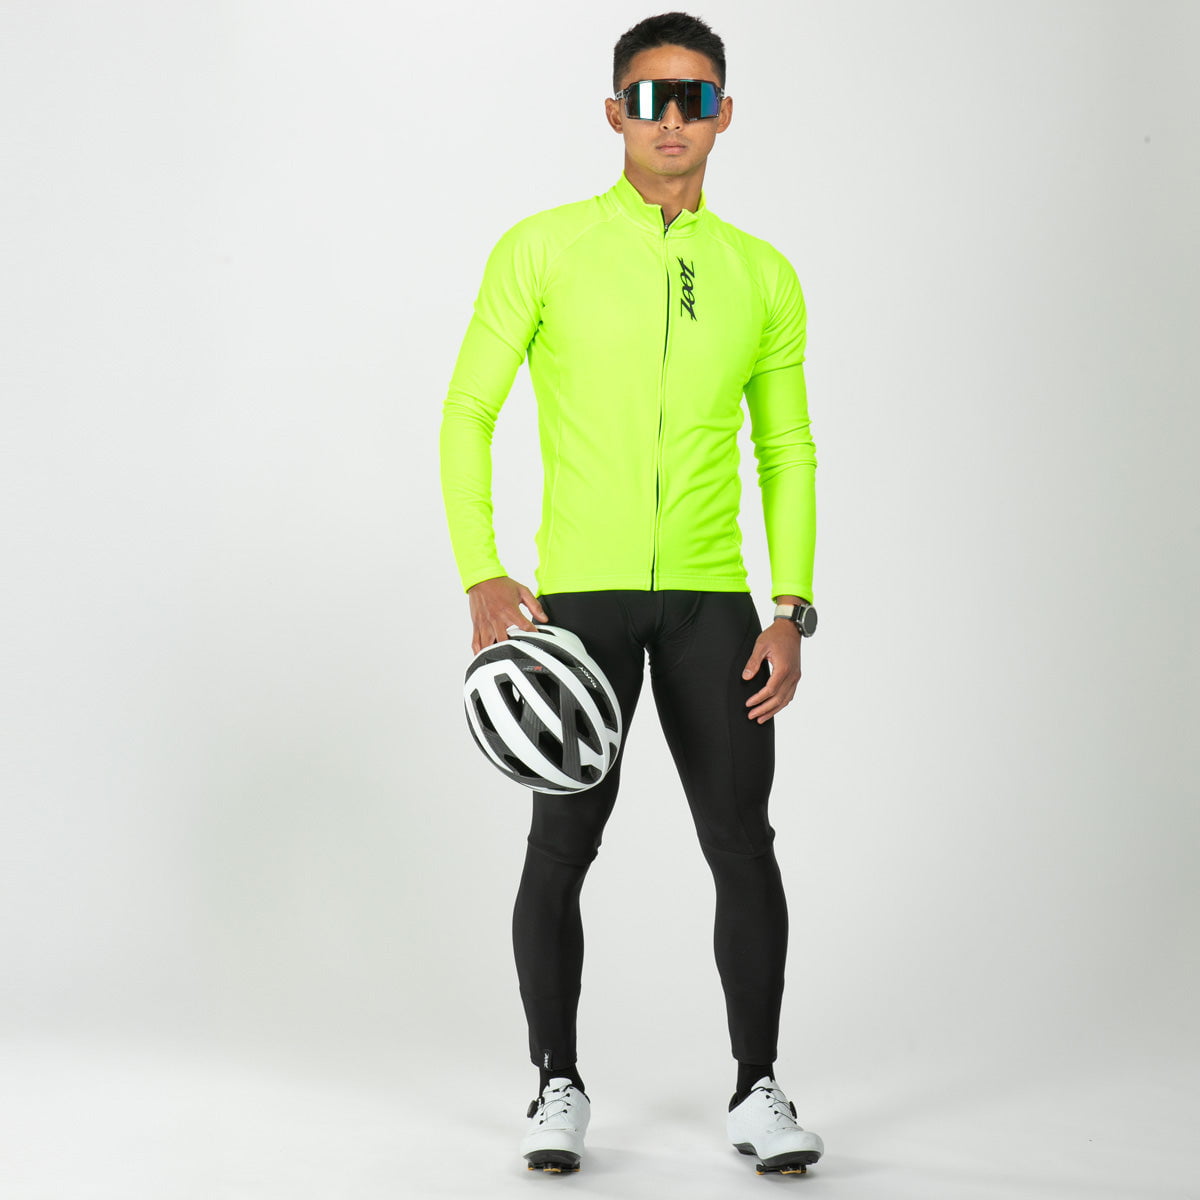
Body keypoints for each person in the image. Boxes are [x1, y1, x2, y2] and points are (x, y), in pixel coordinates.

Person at [438, 10, 824, 1176]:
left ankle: (758, 1090)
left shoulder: (763, 273)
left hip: (713, 603)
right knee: (562, 846)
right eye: (650, 96)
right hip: (580, 606)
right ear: (615, 111)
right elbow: (469, 410)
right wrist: (481, 567)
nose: (672, 118)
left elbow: (786, 448)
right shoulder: (543, 248)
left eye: (694, 96)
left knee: (742, 844)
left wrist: (791, 607)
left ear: (724, 114)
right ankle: (555, 1084)